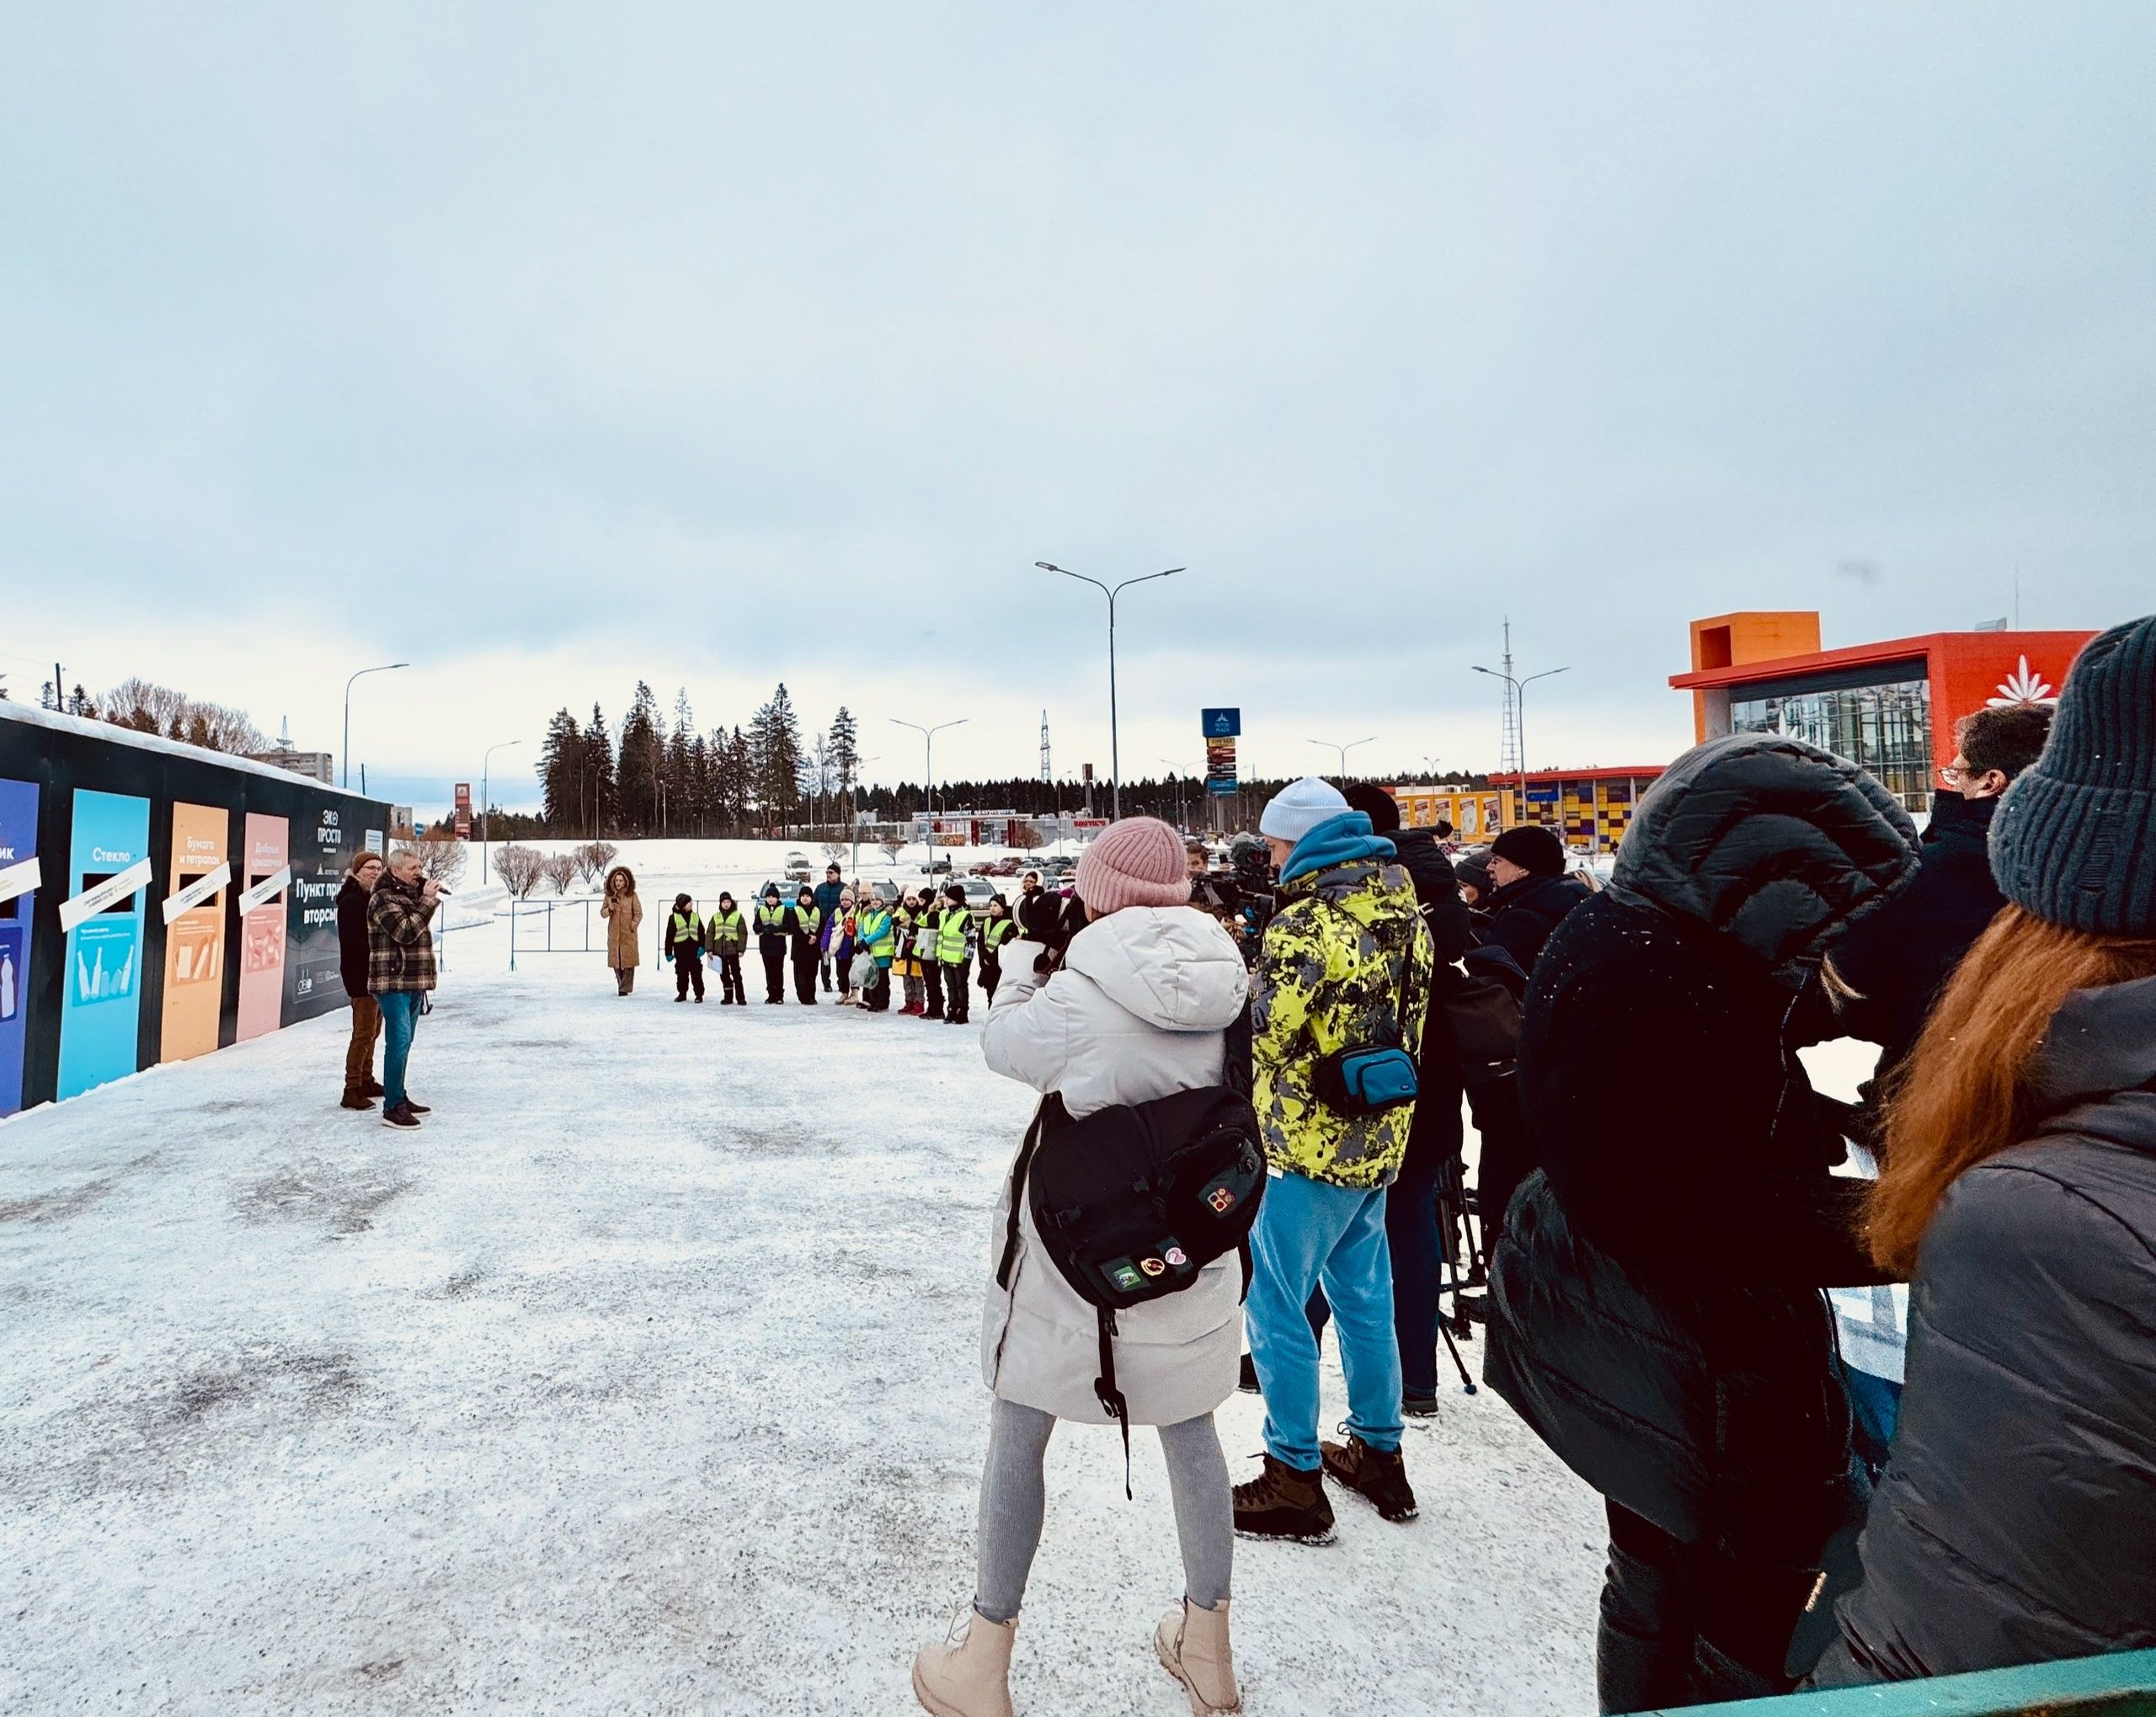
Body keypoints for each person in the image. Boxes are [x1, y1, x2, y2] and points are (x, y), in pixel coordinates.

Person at [1481, 734, 1919, 1711]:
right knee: (1748, 1613)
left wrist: (1821, 1113)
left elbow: (1676, 1126)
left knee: (1653, 1573)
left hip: (1639, 1348)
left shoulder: (1638, 940)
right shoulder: (1664, 977)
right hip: (1699, 1366)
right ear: (1777, 879)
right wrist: (1901, 1221)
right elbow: (1690, 1203)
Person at [1810, 614, 2156, 1688]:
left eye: (1963, 771)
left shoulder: (2054, 1218)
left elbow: (1959, 1645)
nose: (1946, 785)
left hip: (1937, 1190)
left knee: (1887, 1413)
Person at [915, 817, 1250, 1717]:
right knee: (1191, 1433)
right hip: (1188, 1249)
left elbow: (1003, 1046)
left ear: (1097, 893)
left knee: (1019, 1432)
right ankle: (1209, 1649)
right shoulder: (1227, 976)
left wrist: (1023, 962)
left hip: (1075, 1261)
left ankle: (984, 1659)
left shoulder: (1079, 991)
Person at [1233, 777, 1434, 1544]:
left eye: (1274, 844)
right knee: (1365, 1299)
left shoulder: (1304, 924)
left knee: (1277, 1303)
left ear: (1301, 842)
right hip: (1378, 1137)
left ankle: (1293, 1474)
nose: (1270, 857)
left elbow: (1268, 1033)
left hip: (1304, 1145)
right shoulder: (1405, 911)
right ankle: (1381, 1454)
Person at [1829, 702, 2054, 1094]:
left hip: (1938, 1093)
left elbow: (1853, 997)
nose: (1952, 783)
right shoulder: (2101, 869)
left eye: (1958, 772)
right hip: (2070, 1093)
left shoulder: (1925, 873)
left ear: (1991, 782)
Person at [1342, 783, 1473, 1418]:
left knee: (1328, 1224)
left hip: (1363, 1084)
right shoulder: (1441, 890)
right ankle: (1418, 1378)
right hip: (1431, 1082)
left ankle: (1290, 1351)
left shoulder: (1365, 892)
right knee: (1412, 1223)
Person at [366, 847, 440, 1132]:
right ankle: (392, 1107)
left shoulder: (411, 895)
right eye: (413, 869)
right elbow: (406, 932)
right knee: (397, 1042)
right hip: (392, 981)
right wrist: (427, 902)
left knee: (406, 1042)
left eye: (420, 867)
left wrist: (423, 900)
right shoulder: (382, 898)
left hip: (412, 981)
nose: (419, 873)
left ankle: (399, 1094)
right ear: (396, 871)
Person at [1477, 825, 1588, 970]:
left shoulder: (1520, 920)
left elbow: (1497, 976)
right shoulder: (1575, 901)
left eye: (1496, 861)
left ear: (1523, 868)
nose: (1489, 867)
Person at [336, 851, 386, 1111]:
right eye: (369, 868)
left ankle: (366, 1079)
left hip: (376, 974)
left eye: (378, 868)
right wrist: (380, 948)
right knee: (363, 1032)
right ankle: (352, 1087)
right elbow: (353, 941)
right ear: (357, 871)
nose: (374, 872)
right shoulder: (352, 901)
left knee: (373, 1031)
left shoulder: (372, 897)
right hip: (360, 975)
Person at [937, 882, 976, 1026]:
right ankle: (951, 1009)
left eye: (949, 898)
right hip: (946, 957)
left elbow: (971, 940)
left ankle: (962, 1012)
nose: (946, 900)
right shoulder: (944, 914)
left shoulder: (965, 916)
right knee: (950, 987)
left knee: (961, 986)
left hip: (959, 960)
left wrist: (967, 959)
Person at [601, 866, 643, 995]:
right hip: (614, 934)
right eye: (616, 880)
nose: (618, 883)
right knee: (616, 961)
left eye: (621, 880)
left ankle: (624, 989)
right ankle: (622, 985)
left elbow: (638, 913)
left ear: (626, 882)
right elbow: (602, 913)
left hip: (628, 933)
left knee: (629, 962)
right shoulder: (609, 896)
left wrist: (633, 926)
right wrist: (609, 909)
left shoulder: (632, 896)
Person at [855, 893, 896, 1012]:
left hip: (882, 953)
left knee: (882, 980)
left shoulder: (886, 915)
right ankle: (873, 1002)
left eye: (877, 900)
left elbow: (882, 931)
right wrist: (861, 940)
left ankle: (882, 1004)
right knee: (872, 978)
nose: (875, 902)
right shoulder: (867, 914)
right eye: (873, 900)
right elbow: (861, 928)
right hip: (870, 952)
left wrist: (866, 941)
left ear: (882, 901)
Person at [706, 892, 748, 1005]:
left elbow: (743, 933)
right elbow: (710, 933)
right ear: (720, 903)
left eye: (728, 901)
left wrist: (741, 949)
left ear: (731, 902)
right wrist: (709, 949)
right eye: (724, 902)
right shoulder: (716, 917)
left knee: (736, 975)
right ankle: (728, 997)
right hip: (719, 952)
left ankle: (741, 998)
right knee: (724, 975)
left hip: (733, 951)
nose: (726, 904)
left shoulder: (738, 916)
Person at [977, 894, 1017, 1007]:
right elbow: (980, 941)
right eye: (991, 905)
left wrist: (991, 959)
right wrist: (983, 958)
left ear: (1002, 908)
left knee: (998, 995)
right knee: (990, 994)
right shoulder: (987, 921)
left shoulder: (1009, 924)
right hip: (987, 965)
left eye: (995, 905)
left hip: (999, 966)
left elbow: (1005, 945)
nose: (992, 908)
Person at [664, 892, 705, 1002]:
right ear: (683, 905)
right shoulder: (673, 918)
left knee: (696, 973)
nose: (691, 904)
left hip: (694, 950)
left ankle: (699, 995)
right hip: (680, 951)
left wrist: (702, 946)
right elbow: (669, 936)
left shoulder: (695, 916)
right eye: (689, 902)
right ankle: (682, 993)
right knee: (681, 973)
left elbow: (701, 932)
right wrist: (668, 952)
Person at [755, 884, 792, 1005]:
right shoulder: (761, 910)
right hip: (765, 946)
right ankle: (771, 995)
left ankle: (779, 995)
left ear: (777, 898)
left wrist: (776, 929)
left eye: (773, 897)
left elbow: (788, 927)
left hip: (778, 946)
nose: (771, 899)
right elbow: (755, 926)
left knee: (778, 971)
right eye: (769, 897)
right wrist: (764, 928)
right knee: (769, 971)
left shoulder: (783, 909)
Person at [894, 892, 927, 1016]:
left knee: (917, 977)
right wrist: (899, 920)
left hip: (917, 948)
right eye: (909, 899)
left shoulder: (922, 912)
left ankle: (919, 1002)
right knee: (906, 977)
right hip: (904, 948)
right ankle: (909, 1001)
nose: (911, 902)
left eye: (914, 899)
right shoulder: (901, 911)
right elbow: (893, 921)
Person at [814, 863, 846, 993]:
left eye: (831, 872)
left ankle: (842, 982)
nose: (828, 875)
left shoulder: (844, 888)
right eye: (827, 872)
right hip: (823, 927)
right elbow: (815, 906)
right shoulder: (820, 888)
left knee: (840, 957)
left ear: (838, 874)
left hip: (839, 928)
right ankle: (826, 983)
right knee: (825, 956)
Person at [917, 889, 947, 1021]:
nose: (920, 903)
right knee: (931, 983)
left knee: (933, 982)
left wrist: (910, 926)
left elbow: (927, 931)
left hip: (931, 952)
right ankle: (932, 1008)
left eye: (922, 900)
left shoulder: (934, 914)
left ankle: (936, 1009)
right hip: (927, 951)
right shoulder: (928, 913)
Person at [790, 885, 823, 1005]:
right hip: (800, 948)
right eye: (803, 896)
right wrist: (806, 938)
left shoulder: (817, 911)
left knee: (812, 974)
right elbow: (794, 928)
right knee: (800, 975)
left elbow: (822, 926)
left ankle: (811, 996)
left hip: (813, 949)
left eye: (807, 896)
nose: (805, 898)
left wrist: (816, 937)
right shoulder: (795, 911)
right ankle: (803, 997)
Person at [1014, 870, 1061, 946]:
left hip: (1038, 943)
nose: (1028, 883)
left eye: (1031, 882)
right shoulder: (1025, 898)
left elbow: (1036, 926)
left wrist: (1024, 936)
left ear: (1038, 883)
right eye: (1026, 881)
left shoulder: (1042, 900)